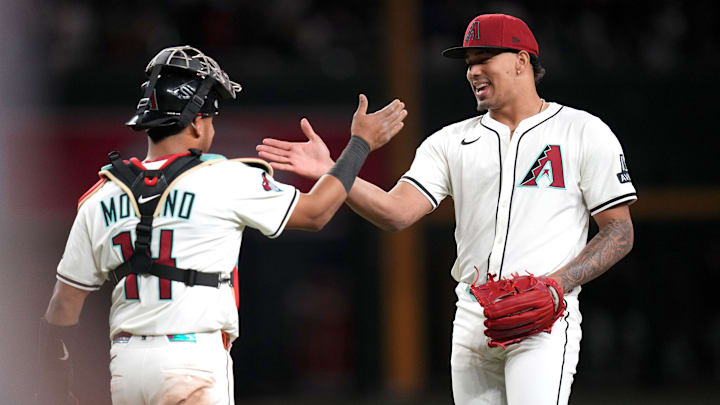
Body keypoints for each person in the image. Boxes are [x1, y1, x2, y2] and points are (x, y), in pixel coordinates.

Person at [256, 13, 636, 405]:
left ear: (521, 61)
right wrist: (336, 170)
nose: (473, 71)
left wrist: (558, 284)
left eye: (484, 57)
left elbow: (619, 231)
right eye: (469, 62)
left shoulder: (582, 131)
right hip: (473, 315)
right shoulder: (450, 142)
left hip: (542, 319)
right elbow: (394, 212)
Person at [38, 45, 407, 405]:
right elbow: (317, 213)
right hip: (193, 360)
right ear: (197, 123)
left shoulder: (99, 196)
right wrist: (359, 144)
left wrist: (58, 375)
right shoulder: (223, 177)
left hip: (126, 365)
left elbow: (63, 306)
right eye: (211, 119)